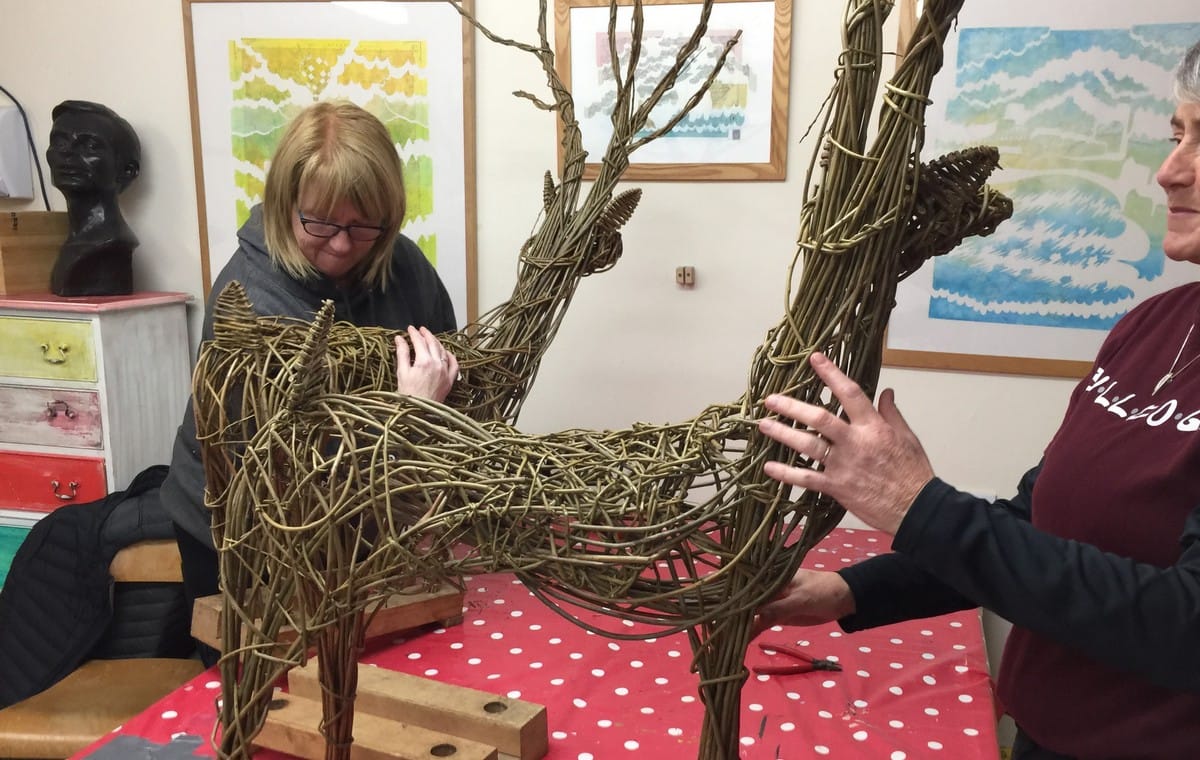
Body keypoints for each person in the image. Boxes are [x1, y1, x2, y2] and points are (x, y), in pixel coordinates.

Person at [754, 40, 1200, 760]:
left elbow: (1187, 625)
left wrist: (916, 505)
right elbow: (1039, 521)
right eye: (1177, 136)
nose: (1169, 170)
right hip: (1044, 736)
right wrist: (847, 591)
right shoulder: (1152, 326)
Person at [160, 101, 459, 664]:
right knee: (270, 686)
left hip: (366, 526)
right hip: (249, 532)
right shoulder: (251, 302)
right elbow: (298, 478)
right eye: (319, 223)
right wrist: (410, 413)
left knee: (375, 673)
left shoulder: (404, 266)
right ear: (284, 203)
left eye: (363, 225)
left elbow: (454, 364)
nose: (342, 245)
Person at [45, 100, 141, 296]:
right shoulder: (71, 244)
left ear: (127, 170)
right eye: (60, 142)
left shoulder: (112, 246)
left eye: (90, 146)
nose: (67, 153)